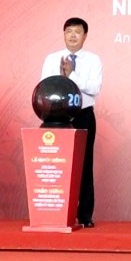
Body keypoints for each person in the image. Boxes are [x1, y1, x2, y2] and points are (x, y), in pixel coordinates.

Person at [40, 17, 103, 228]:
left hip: (83, 115)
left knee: (84, 164)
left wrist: (71, 75)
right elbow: (44, 86)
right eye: (69, 31)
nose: (73, 35)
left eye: (77, 32)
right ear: (64, 34)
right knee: (55, 165)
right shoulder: (52, 59)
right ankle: (55, 212)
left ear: (85, 36)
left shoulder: (93, 60)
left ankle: (84, 215)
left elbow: (94, 88)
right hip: (56, 117)